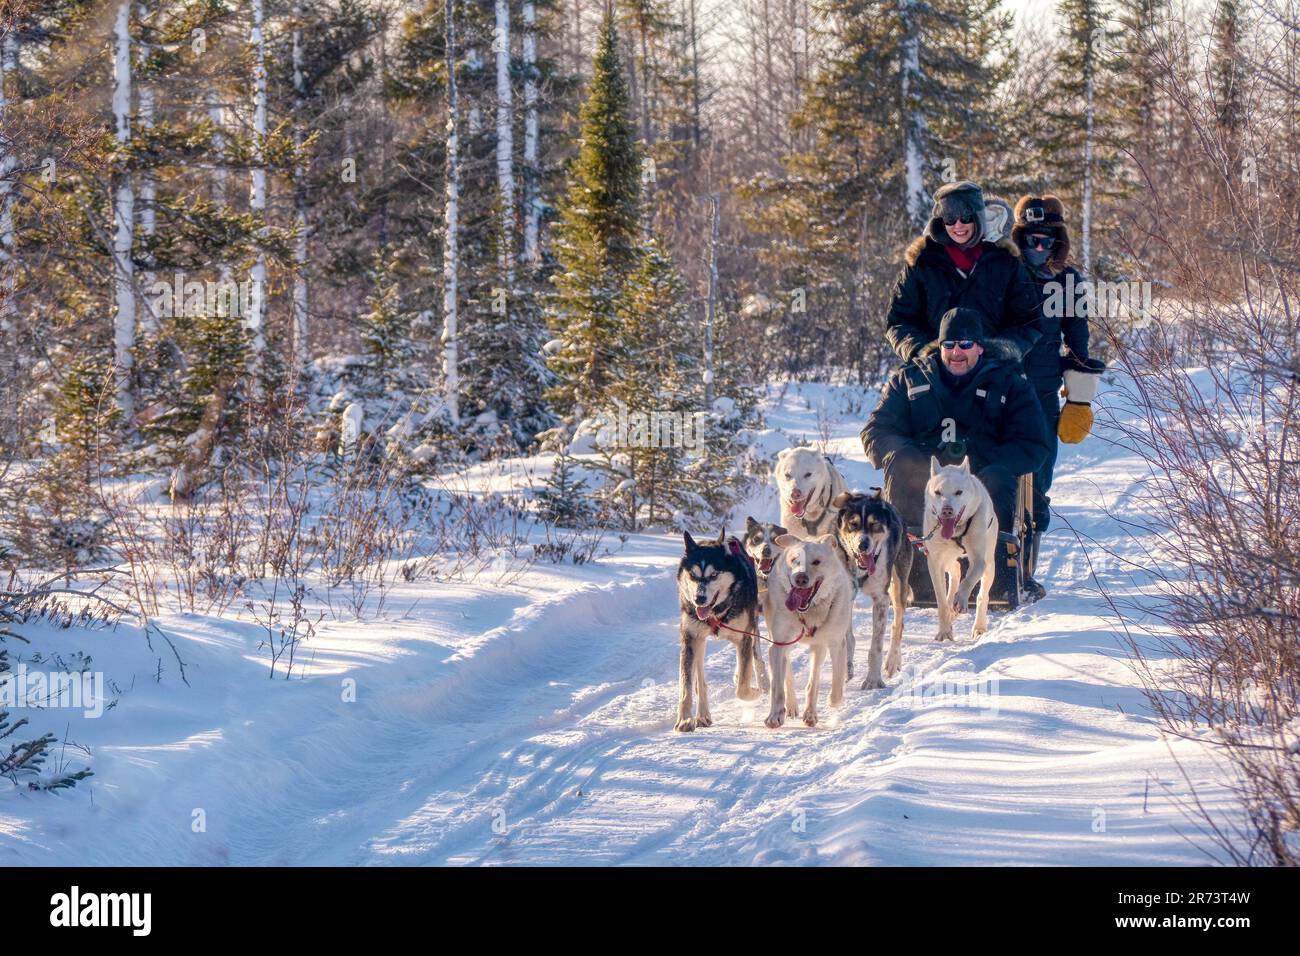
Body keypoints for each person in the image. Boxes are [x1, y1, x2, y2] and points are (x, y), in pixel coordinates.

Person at [861, 307, 1050, 602]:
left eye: (965, 345)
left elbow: (1034, 442)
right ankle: (912, 575)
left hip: (982, 472)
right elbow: (876, 431)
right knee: (903, 465)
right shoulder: (911, 379)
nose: (956, 352)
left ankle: (996, 579)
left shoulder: (1009, 382)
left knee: (996, 478)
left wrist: (996, 460)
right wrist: (903, 453)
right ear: (940, 346)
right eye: (949, 345)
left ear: (979, 347)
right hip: (927, 472)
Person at [1011, 194, 1104, 598]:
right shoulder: (1003, 272)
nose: (1038, 246)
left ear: (1057, 239)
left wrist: (1081, 386)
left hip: (1045, 387)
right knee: (998, 474)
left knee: (1040, 475)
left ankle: (1027, 567)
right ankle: (993, 559)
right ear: (1019, 236)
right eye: (1031, 237)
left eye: (1046, 238)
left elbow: (1077, 330)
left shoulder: (1068, 280)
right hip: (1000, 386)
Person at [885, 181, 1042, 366]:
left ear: (978, 217)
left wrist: (1001, 350)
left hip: (993, 373)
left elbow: (1028, 321)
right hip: (934, 374)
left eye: (965, 217)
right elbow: (900, 321)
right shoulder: (922, 263)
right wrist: (924, 351)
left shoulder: (1005, 262)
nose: (957, 225)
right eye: (950, 218)